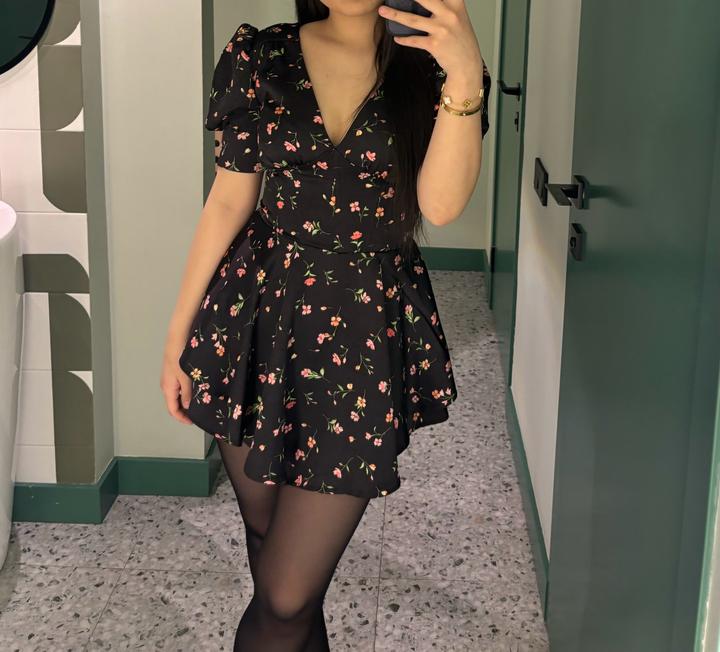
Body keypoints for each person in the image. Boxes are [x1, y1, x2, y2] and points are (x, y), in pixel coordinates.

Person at [160, 1, 490, 649]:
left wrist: (463, 73)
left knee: (286, 597)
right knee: (270, 551)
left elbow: (441, 207)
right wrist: (178, 338)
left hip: (360, 334)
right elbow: (229, 198)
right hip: (253, 321)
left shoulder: (434, 66)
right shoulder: (261, 55)